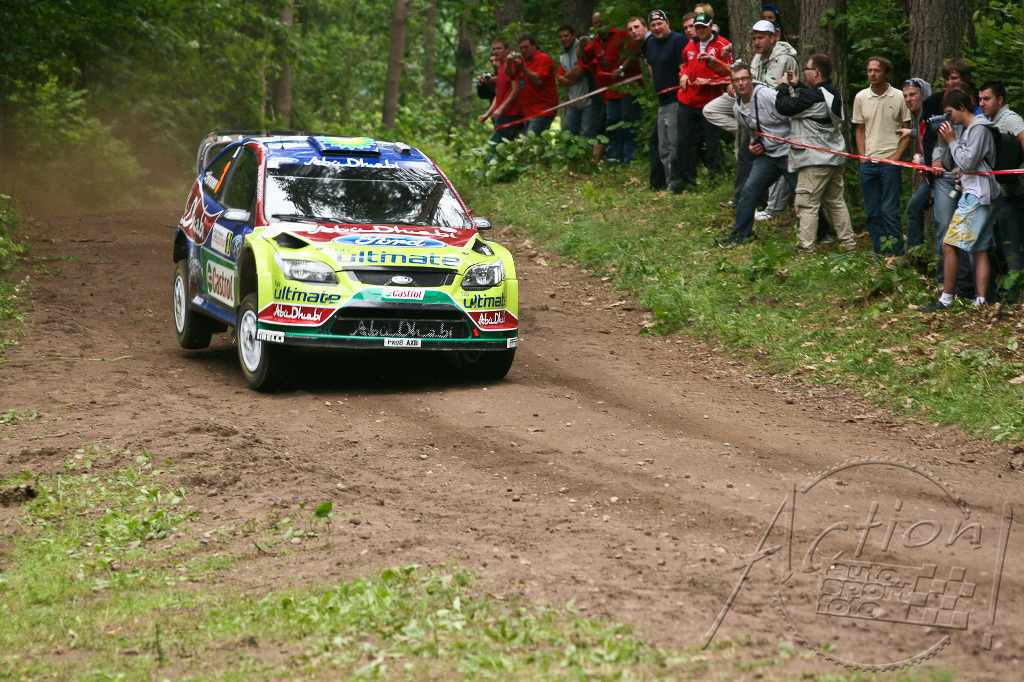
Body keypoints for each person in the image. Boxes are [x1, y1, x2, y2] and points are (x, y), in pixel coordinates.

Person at [918, 88, 1001, 311]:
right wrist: (944, 141)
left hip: (978, 195)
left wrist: (952, 140)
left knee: (948, 244)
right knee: (979, 249)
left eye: (950, 112)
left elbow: (968, 163)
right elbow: (954, 163)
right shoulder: (967, 129)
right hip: (975, 192)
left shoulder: (979, 128)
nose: (949, 118)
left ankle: (946, 298)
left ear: (962, 107)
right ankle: (981, 300)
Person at [775, 54, 856, 253]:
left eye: (807, 69)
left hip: (814, 160)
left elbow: (784, 107)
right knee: (836, 203)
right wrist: (799, 85)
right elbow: (811, 97)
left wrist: (783, 87)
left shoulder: (814, 96)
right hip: (833, 156)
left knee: (806, 204)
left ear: (816, 72)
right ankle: (849, 245)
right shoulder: (831, 91)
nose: (805, 72)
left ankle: (806, 248)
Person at [727, 62, 794, 246]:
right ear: (732, 83)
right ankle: (740, 237)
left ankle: (824, 233)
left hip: (789, 152)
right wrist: (753, 146)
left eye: (744, 78)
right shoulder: (737, 108)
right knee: (748, 191)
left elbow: (792, 115)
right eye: (736, 80)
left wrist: (795, 148)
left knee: (804, 194)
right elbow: (753, 132)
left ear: (751, 79)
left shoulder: (766, 95)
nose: (741, 83)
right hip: (768, 156)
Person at [851, 56, 912, 255]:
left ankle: (896, 253)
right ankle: (879, 253)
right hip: (869, 161)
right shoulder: (861, 97)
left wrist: (896, 157)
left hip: (890, 161)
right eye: (869, 70)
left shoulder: (899, 96)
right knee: (872, 211)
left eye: (877, 70)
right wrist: (862, 157)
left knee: (890, 210)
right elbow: (860, 129)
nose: (872, 74)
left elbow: (907, 130)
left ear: (886, 73)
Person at [674, 11, 731, 192]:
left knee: (711, 144)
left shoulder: (723, 45)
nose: (700, 30)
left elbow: (730, 73)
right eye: (697, 27)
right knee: (684, 142)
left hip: (709, 103)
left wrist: (709, 81)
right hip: (687, 101)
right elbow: (684, 64)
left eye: (703, 27)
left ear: (711, 26)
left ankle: (715, 180)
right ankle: (685, 181)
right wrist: (683, 75)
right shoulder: (691, 44)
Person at [979, 80, 1024, 299]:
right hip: (1002, 192)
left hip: (1015, 192)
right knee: (1002, 243)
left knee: (1011, 244)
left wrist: (1015, 167)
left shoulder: (1010, 119)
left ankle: (1015, 295)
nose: (982, 103)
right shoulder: (991, 122)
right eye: (980, 99)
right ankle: (1006, 290)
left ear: (1000, 100)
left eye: (986, 99)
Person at [580, 12, 642, 163]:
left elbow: (635, 51)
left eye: (601, 21)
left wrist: (622, 68)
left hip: (628, 89)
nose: (599, 25)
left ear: (608, 22)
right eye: (596, 23)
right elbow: (582, 58)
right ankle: (614, 158)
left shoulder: (622, 34)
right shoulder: (595, 42)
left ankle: (631, 157)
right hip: (610, 92)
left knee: (628, 122)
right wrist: (581, 45)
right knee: (611, 124)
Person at [643, 10, 688, 190]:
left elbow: (684, 67)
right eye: (653, 25)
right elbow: (650, 65)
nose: (657, 28)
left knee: (674, 143)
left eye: (660, 24)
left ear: (667, 23)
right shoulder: (649, 43)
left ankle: (678, 182)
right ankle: (669, 181)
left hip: (677, 97)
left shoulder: (679, 40)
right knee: (662, 146)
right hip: (661, 99)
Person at [899, 77, 933, 250]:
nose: (908, 99)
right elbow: (923, 135)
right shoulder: (920, 117)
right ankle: (915, 254)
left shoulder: (932, 116)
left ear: (923, 94)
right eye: (905, 96)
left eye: (912, 95)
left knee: (943, 221)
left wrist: (922, 161)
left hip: (945, 176)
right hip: (932, 177)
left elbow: (942, 149)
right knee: (914, 208)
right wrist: (911, 132)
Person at [478, 38, 523, 157]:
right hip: (502, 115)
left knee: (494, 150)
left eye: (499, 48)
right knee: (504, 150)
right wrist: (487, 114)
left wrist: (501, 108)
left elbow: (516, 90)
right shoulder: (501, 69)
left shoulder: (510, 66)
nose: (496, 51)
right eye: (494, 49)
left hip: (511, 114)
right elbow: (498, 96)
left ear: (507, 49)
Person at [556, 25, 602, 140]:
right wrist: (571, 76)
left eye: (566, 36)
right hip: (574, 101)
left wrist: (569, 75)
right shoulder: (563, 56)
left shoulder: (583, 47)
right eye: (561, 37)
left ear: (573, 35)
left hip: (590, 98)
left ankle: (591, 152)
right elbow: (560, 79)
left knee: (588, 134)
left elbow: (579, 71)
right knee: (567, 133)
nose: (563, 39)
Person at [508, 34, 559, 135]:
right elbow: (510, 74)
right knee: (536, 141)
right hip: (528, 111)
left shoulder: (544, 59)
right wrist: (509, 62)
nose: (523, 50)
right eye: (521, 48)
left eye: (526, 47)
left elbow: (538, 80)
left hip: (543, 110)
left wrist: (522, 68)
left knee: (532, 142)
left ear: (534, 45)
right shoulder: (522, 60)